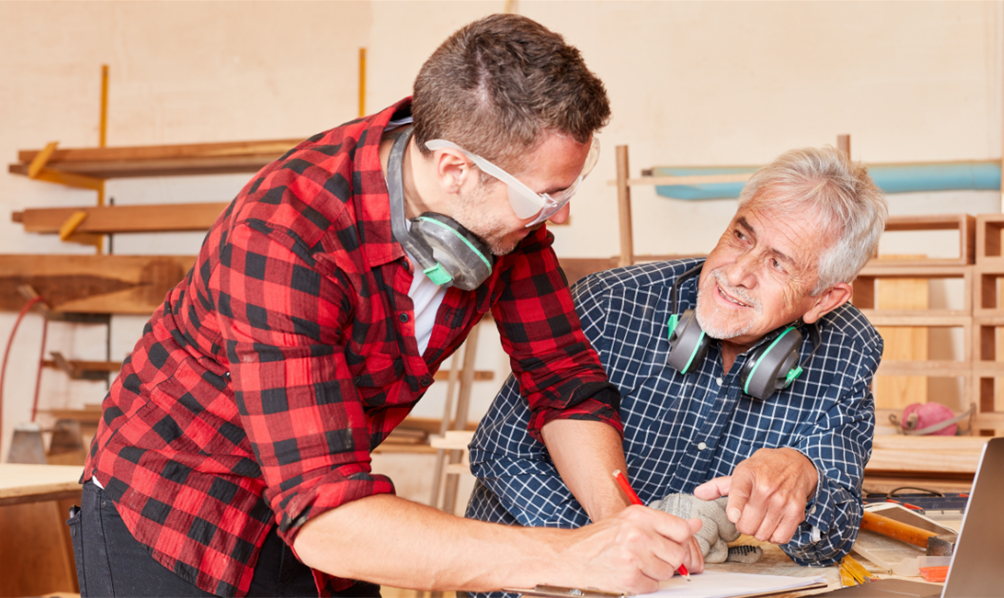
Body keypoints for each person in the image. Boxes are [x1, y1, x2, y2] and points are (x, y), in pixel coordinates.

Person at [74, 14, 697, 598]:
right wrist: (569, 556)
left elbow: (563, 382)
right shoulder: (288, 235)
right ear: (455, 167)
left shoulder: (503, 215)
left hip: (325, 506)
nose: (557, 217)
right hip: (177, 510)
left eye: (567, 191)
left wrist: (625, 530)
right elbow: (327, 518)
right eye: (545, 198)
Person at [466, 146, 889, 591]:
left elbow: (831, 539)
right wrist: (612, 542)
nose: (738, 272)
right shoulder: (611, 304)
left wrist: (805, 476)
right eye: (741, 237)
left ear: (824, 300)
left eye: (777, 263)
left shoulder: (848, 349)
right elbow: (503, 452)